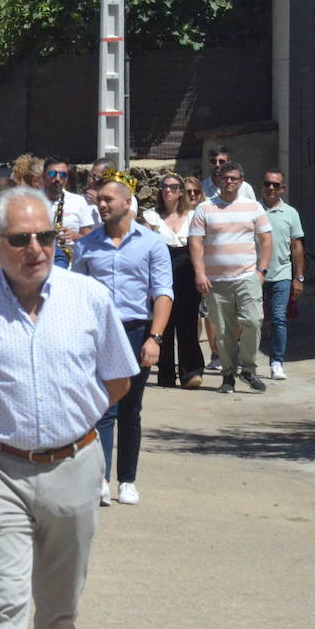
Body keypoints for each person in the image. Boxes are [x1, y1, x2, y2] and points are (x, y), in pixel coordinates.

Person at [0, 186, 137, 629]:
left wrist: (75, 419)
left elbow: (119, 378)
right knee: (6, 595)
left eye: (44, 236)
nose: (35, 250)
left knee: (61, 607)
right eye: (20, 239)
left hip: (76, 467)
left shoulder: (90, 297)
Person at [72, 172, 172, 507]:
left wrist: (155, 338)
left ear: (127, 203)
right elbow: (76, 293)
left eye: (107, 200)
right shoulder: (85, 246)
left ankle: (127, 480)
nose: (100, 205)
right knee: (102, 408)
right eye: (98, 200)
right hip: (98, 333)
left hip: (135, 330)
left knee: (131, 408)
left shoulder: (151, 242)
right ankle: (99, 478)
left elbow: (162, 293)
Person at [189, 161, 274, 394]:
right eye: (225, 178)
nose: (229, 182)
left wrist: (262, 271)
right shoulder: (205, 208)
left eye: (234, 179)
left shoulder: (254, 207)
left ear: (241, 181)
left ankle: (248, 368)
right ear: (218, 180)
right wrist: (199, 273)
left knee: (253, 321)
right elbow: (195, 242)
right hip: (216, 281)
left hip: (248, 277)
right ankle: (228, 375)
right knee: (223, 331)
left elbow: (266, 240)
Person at [143, 173, 205, 389]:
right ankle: (166, 374)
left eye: (174, 187)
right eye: (164, 187)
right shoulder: (151, 216)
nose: (168, 190)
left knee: (188, 323)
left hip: (187, 272)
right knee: (164, 325)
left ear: (181, 191)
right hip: (162, 273)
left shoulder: (193, 215)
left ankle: (191, 373)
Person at [261, 169, 306, 381]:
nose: (271, 188)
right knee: (250, 320)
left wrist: (299, 278)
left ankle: (276, 361)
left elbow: (297, 246)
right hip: (254, 275)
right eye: (267, 184)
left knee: (278, 319)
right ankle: (245, 360)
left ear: (282, 188)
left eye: (275, 185)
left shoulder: (291, 213)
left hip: (281, 274)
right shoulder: (253, 211)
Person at [183, 177, 222, 371]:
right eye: (188, 191)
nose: (192, 195)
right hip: (184, 271)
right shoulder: (179, 214)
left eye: (195, 192)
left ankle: (216, 353)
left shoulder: (207, 211)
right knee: (193, 316)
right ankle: (192, 353)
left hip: (206, 270)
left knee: (210, 315)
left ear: (201, 193)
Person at [42, 157, 95, 270]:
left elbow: (90, 239)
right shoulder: (32, 200)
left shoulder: (78, 201)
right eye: (52, 173)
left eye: (63, 175)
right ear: (43, 176)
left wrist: (75, 236)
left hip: (72, 267)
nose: (57, 179)